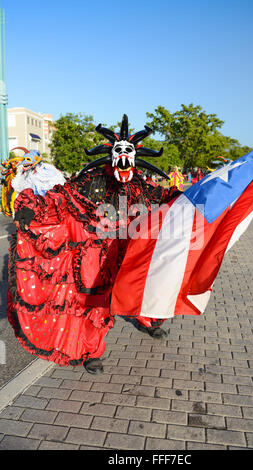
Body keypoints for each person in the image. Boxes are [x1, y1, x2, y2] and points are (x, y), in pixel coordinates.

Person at [7, 115, 181, 374]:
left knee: (145, 287)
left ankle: (149, 320)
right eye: (119, 151)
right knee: (95, 302)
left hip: (132, 253)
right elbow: (63, 196)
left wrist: (194, 198)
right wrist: (34, 208)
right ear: (111, 154)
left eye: (128, 152)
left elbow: (166, 198)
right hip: (99, 256)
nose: (123, 157)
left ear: (135, 157)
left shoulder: (141, 186)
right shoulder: (94, 180)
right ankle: (92, 351)